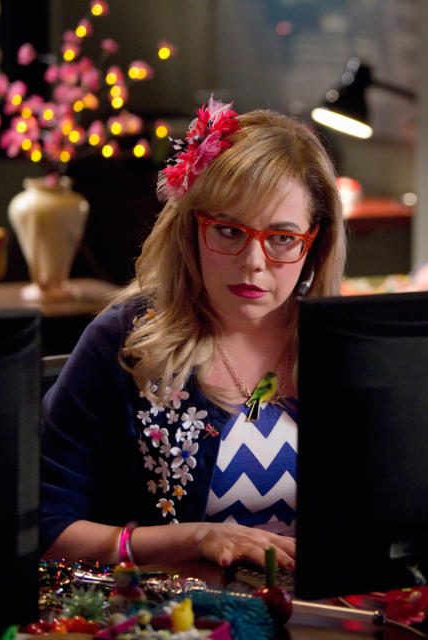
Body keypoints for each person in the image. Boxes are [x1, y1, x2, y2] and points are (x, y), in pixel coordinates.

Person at [40, 98, 346, 571]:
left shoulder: (347, 347)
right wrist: (191, 538)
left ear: (316, 244)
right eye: (228, 231)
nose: (253, 262)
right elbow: (45, 527)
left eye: (283, 238)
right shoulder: (122, 341)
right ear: (190, 229)